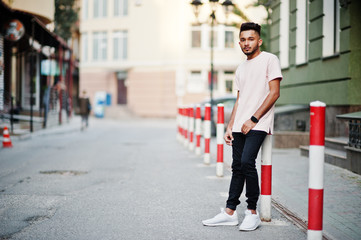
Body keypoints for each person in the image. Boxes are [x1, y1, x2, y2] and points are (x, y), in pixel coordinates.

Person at [202, 22, 282, 231]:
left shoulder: (270, 60)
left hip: (258, 122)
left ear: (259, 41)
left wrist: (253, 119)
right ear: (239, 43)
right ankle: (229, 212)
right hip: (240, 124)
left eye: (251, 39)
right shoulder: (240, 68)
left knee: (247, 162)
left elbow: (274, 93)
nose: (247, 43)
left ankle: (252, 212)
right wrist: (230, 126)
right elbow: (239, 100)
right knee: (237, 167)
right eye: (243, 40)